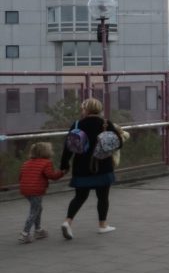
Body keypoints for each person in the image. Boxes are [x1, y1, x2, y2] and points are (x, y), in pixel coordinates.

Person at [60, 97, 122, 239]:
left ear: (86, 109)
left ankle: (67, 222)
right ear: (99, 109)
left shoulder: (77, 125)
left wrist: (64, 165)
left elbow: (68, 148)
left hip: (81, 167)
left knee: (80, 197)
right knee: (103, 197)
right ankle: (102, 225)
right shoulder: (106, 124)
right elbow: (119, 143)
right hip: (102, 166)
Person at [18, 141, 65, 243]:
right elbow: (52, 176)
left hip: (25, 189)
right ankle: (25, 233)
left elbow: (20, 176)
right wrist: (62, 173)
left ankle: (38, 230)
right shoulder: (46, 163)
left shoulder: (26, 163)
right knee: (34, 210)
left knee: (38, 208)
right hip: (36, 190)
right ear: (46, 152)